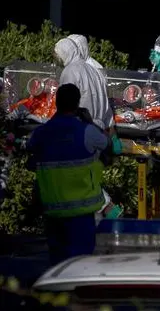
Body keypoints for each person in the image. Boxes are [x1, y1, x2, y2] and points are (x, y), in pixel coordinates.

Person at [27, 83, 108, 265]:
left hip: (53, 212)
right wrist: (88, 121)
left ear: (56, 103)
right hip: (81, 214)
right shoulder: (86, 131)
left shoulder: (41, 133)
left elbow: (29, 146)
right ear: (78, 103)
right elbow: (107, 143)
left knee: (57, 265)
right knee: (80, 264)